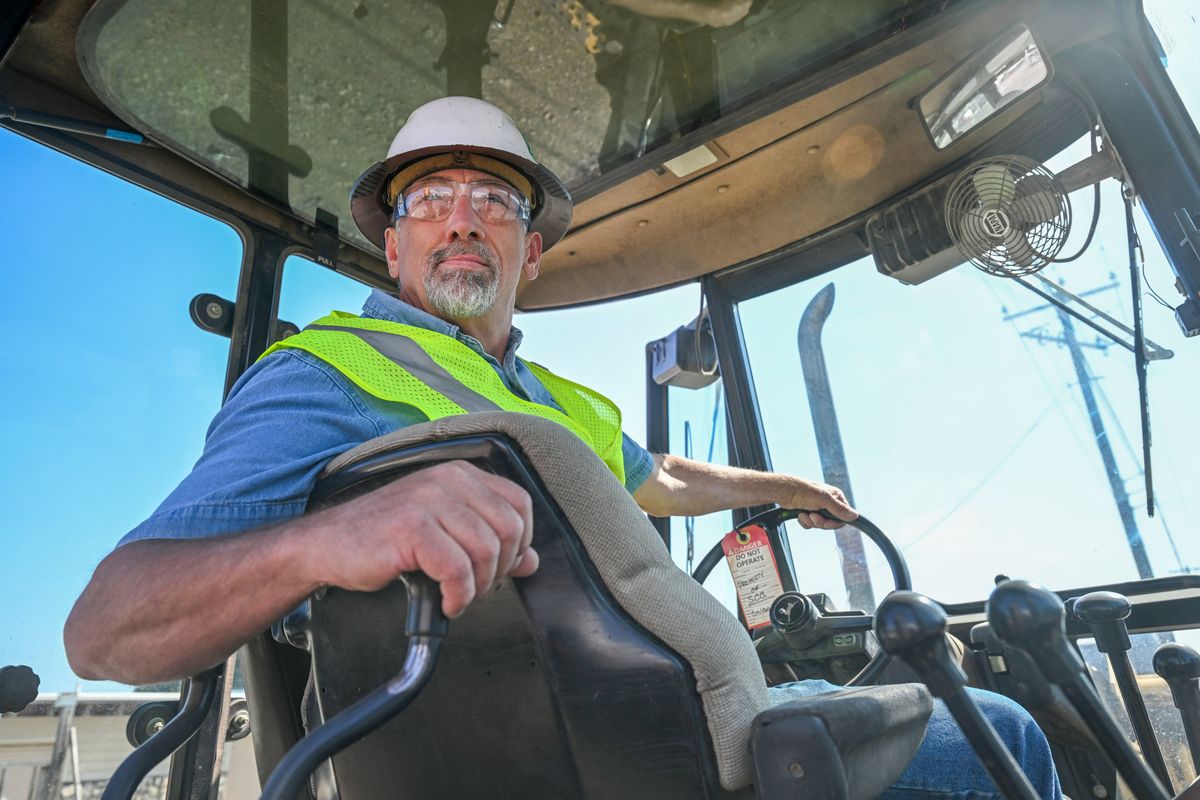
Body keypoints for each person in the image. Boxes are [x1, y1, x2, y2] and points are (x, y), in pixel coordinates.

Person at [64, 97, 1060, 799]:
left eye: (495, 200)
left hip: (655, 734)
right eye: (429, 200)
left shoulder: (552, 398)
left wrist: (788, 484)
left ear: (529, 251)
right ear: (395, 247)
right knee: (1001, 722)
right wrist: (335, 536)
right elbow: (107, 627)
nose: (461, 219)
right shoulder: (324, 371)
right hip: (596, 763)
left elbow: (660, 474)